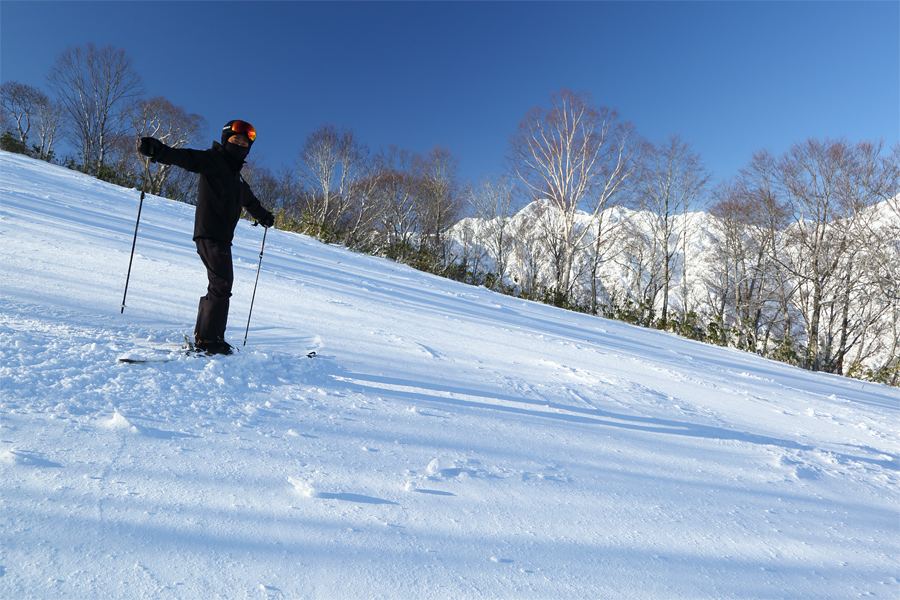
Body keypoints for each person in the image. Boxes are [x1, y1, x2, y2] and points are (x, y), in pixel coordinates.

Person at [139, 120, 275, 355]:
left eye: (244, 143)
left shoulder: (237, 178)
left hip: (221, 236)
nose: (240, 145)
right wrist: (159, 152)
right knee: (221, 284)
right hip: (210, 232)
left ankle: (207, 337)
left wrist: (264, 217)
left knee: (220, 284)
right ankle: (208, 340)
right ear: (225, 141)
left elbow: (250, 201)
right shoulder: (215, 161)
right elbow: (188, 158)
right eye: (236, 141)